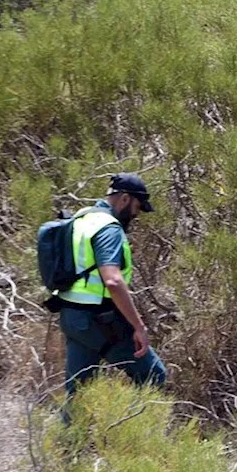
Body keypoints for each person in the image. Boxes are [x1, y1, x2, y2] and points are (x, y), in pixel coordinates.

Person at [54, 173, 167, 404]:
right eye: (137, 206)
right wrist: (139, 327)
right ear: (125, 199)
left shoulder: (81, 219)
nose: (136, 214)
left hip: (72, 317)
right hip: (99, 320)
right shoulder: (109, 229)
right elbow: (113, 281)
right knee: (153, 375)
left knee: (78, 393)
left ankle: (71, 438)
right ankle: (133, 436)